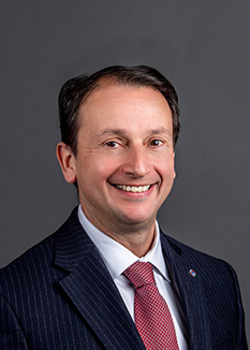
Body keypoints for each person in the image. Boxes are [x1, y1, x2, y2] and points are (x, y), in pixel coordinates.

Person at [0, 65, 247, 349]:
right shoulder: (12, 299)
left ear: (173, 157)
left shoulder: (217, 280)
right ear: (69, 162)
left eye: (155, 142)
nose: (139, 167)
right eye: (113, 143)